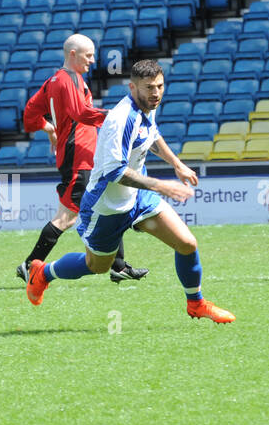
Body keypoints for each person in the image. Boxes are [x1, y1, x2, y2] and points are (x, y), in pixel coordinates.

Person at [24, 59, 234, 324]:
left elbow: (152, 134)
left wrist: (177, 165)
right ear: (132, 87)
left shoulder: (148, 105)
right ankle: (42, 274)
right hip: (106, 205)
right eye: (149, 88)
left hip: (139, 197)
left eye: (159, 86)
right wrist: (162, 185)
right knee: (96, 266)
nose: (156, 93)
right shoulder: (120, 119)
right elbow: (116, 172)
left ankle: (196, 304)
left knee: (187, 243)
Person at [16, 33, 147, 284]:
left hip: (81, 155)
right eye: (88, 55)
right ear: (72, 54)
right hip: (80, 157)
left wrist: (49, 128)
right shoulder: (70, 78)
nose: (93, 60)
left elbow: (30, 114)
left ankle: (118, 265)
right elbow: (80, 113)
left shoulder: (52, 81)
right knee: (67, 217)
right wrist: (115, 116)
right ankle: (29, 265)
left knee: (107, 201)